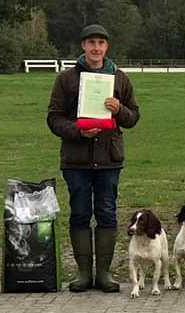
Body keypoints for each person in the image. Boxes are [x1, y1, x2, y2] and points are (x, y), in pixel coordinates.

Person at [46, 24, 140, 293]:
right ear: (83, 47)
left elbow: (133, 117)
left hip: (109, 159)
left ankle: (104, 273)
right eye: (91, 43)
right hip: (76, 160)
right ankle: (84, 273)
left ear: (107, 47)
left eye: (100, 43)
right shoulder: (66, 79)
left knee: (107, 212)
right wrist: (78, 130)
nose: (96, 48)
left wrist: (119, 109)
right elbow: (53, 118)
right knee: (80, 213)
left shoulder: (119, 78)